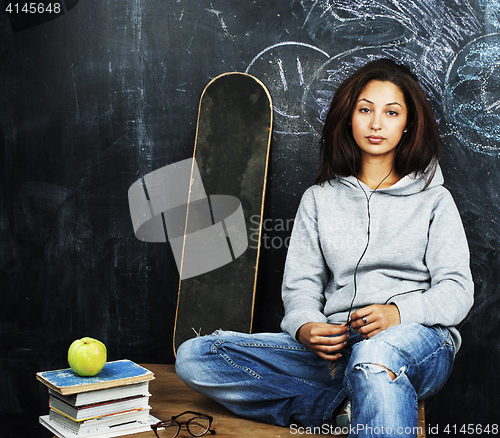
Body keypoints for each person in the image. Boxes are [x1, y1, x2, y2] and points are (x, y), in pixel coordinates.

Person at [175, 58, 474, 437]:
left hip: (416, 341)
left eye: (391, 112)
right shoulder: (319, 199)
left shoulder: (435, 200)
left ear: (408, 123)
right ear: (349, 118)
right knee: (197, 356)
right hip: (337, 346)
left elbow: (458, 291)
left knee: (374, 355)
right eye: (365, 110)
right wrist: (304, 326)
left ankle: (345, 399)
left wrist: (398, 313)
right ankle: (342, 407)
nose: (376, 123)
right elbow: (301, 286)